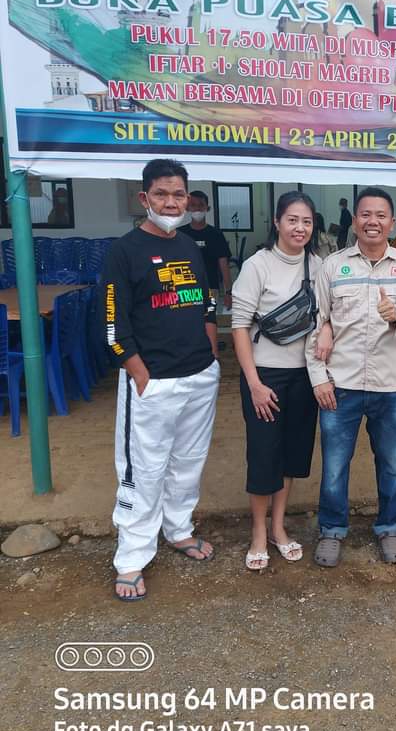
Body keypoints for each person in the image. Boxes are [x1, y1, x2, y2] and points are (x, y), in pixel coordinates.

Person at [102, 159, 220, 601]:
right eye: (162, 194)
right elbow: (112, 324)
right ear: (144, 198)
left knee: (188, 462)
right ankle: (131, 557)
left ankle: (178, 529)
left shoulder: (189, 246)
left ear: (188, 199)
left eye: (179, 195)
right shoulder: (125, 251)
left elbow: (205, 304)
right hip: (152, 382)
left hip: (199, 376)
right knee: (144, 469)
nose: (171, 203)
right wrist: (138, 373)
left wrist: (210, 355)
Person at [306, 187, 396, 567]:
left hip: (389, 386)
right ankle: (332, 530)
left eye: (380, 215)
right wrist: (318, 378)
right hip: (340, 385)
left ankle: (389, 526)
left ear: (392, 222)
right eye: (365, 214)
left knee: (391, 463)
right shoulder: (333, 266)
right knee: (335, 465)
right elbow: (316, 322)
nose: (372, 221)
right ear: (355, 220)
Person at [232, 192, 321, 570]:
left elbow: (324, 315)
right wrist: (253, 383)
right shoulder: (257, 265)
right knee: (263, 455)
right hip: (264, 377)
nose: (300, 228)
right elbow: (239, 326)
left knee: (290, 456)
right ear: (277, 223)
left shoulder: (317, 264)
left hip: (304, 376)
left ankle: (278, 528)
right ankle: (257, 532)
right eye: (292, 220)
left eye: (306, 221)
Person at [179, 190, 233, 310]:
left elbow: (224, 265)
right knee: (187, 318)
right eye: (193, 205)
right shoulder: (180, 234)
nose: (197, 208)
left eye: (201, 205)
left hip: (211, 287)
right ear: (187, 208)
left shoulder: (216, 234)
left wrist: (229, 292)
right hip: (185, 288)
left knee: (209, 318)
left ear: (207, 208)